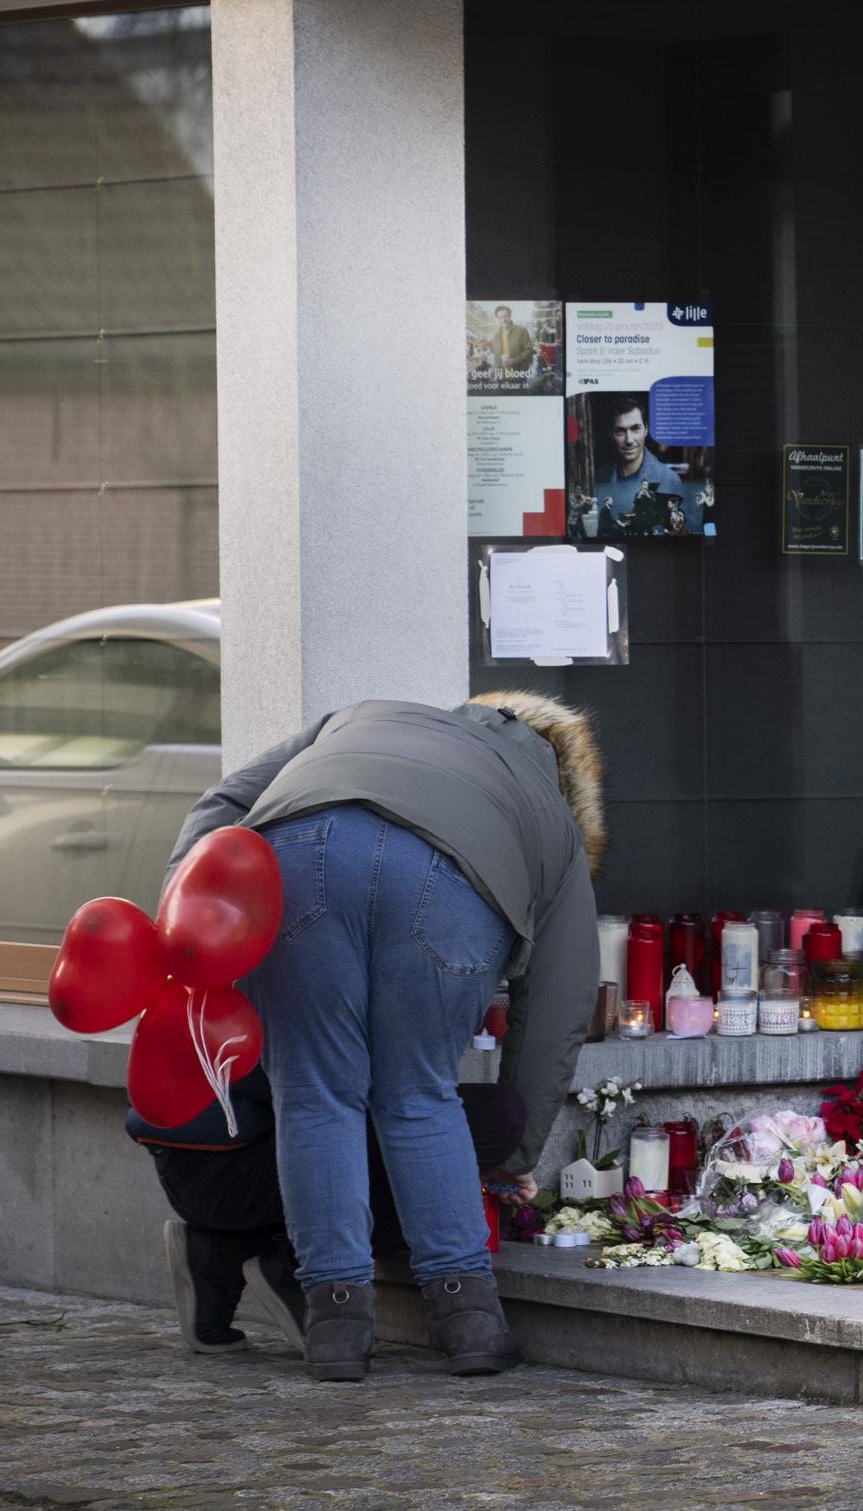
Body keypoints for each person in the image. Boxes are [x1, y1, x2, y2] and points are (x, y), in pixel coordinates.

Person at [169, 690, 602, 1380]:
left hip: (293, 857)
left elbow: (222, 803)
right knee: (418, 1094)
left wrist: (186, 914)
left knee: (313, 1095)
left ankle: (337, 1329)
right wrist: (516, 1149)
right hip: (452, 876)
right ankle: (471, 1324)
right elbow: (561, 997)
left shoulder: (362, 716)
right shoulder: (547, 809)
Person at [136, 1068, 524, 1356]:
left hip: (189, 1160)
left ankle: (228, 1248)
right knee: (469, 1122)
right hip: (236, 1158)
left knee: (445, 1128)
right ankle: (301, 1260)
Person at [582, 398, 695, 536]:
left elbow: (679, 536)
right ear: (611, 434)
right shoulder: (598, 478)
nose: (629, 440)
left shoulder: (669, 479)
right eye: (620, 431)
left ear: (646, 429)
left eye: (635, 428)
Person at [485, 305, 536, 375]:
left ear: (510, 316)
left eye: (506, 316)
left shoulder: (521, 331)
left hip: (517, 374)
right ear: (498, 318)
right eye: (501, 317)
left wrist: (514, 361)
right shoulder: (496, 335)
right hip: (500, 375)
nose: (504, 319)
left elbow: (529, 350)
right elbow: (495, 353)